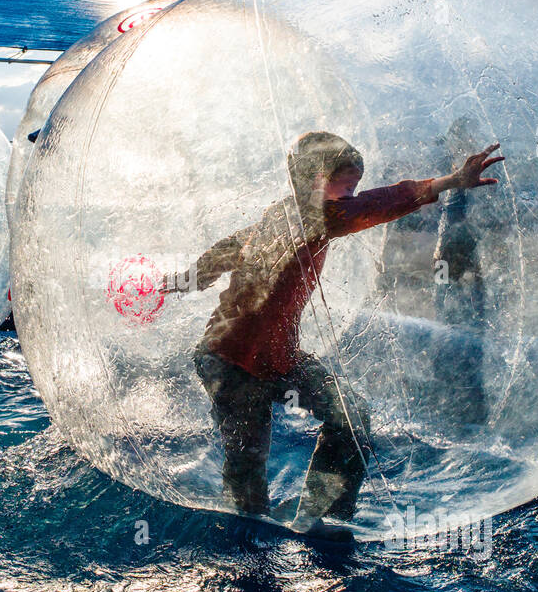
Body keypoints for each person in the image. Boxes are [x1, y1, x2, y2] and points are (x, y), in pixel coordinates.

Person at [165, 131, 503, 534]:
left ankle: (321, 515)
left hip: (278, 359)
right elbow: (380, 203)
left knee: (352, 418)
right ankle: (248, 546)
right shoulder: (319, 216)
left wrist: (188, 279)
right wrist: (449, 182)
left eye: (355, 187)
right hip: (229, 360)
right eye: (347, 186)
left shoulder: (284, 213)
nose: (352, 195)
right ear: (316, 179)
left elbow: (229, 249)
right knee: (247, 467)